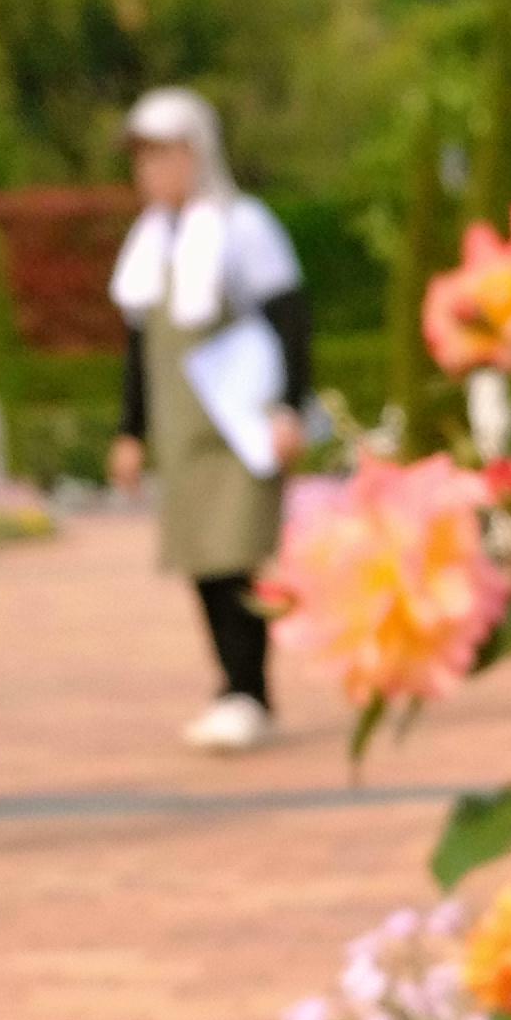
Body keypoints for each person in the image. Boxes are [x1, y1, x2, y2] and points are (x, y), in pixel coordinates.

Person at [106, 87, 309, 749]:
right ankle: (231, 683)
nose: (150, 173)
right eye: (142, 160)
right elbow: (140, 348)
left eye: (162, 156)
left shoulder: (243, 225)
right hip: (183, 429)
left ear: (196, 154)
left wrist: (289, 408)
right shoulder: (149, 245)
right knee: (202, 558)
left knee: (241, 553)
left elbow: (290, 322)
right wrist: (130, 431)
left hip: (240, 424)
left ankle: (249, 687)